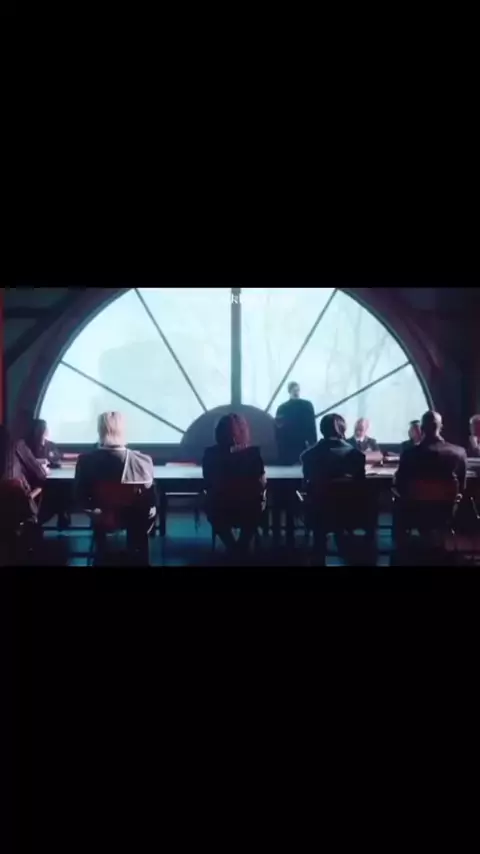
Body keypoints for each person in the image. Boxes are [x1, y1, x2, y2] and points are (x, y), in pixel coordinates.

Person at [74, 412, 157, 541]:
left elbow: (79, 495)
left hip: (102, 517)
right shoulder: (143, 461)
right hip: (136, 518)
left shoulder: (86, 461)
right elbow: (151, 498)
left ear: (100, 430)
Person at [301, 414, 373, 560]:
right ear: (343, 429)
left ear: (322, 429)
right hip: (349, 512)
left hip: (319, 513)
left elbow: (306, 484)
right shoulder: (356, 456)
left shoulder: (308, 456)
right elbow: (361, 486)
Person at [393, 411, 467, 543]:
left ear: (421, 429)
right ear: (441, 427)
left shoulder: (409, 454)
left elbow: (399, 484)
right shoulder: (459, 453)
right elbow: (462, 486)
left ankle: (400, 548)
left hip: (414, 511)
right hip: (445, 511)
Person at [202, 414, 267, 555]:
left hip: (220, 508)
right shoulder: (253, 454)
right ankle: (243, 545)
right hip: (249, 508)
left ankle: (231, 546)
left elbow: (207, 482)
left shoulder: (210, 454)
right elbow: (261, 482)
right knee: (255, 506)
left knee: (211, 505)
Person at [24, 418, 70, 529]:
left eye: (44, 428)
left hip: (49, 478)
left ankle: (63, 514)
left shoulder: (51, 446)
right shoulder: (27, 446)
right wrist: (39, 462)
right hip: (33, 480)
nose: (44, 431)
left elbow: (57, 460)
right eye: (41, 428)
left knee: (62, 486)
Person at [275, 381, 317, 465]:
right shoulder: (306, 406)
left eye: (297, 390)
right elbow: (279, 429)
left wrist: (313, 443)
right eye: (294, 390)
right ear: (289, 391)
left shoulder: (283, 408)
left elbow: (312, 425)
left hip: (298, 443)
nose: (296, 392)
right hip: (293, 444)